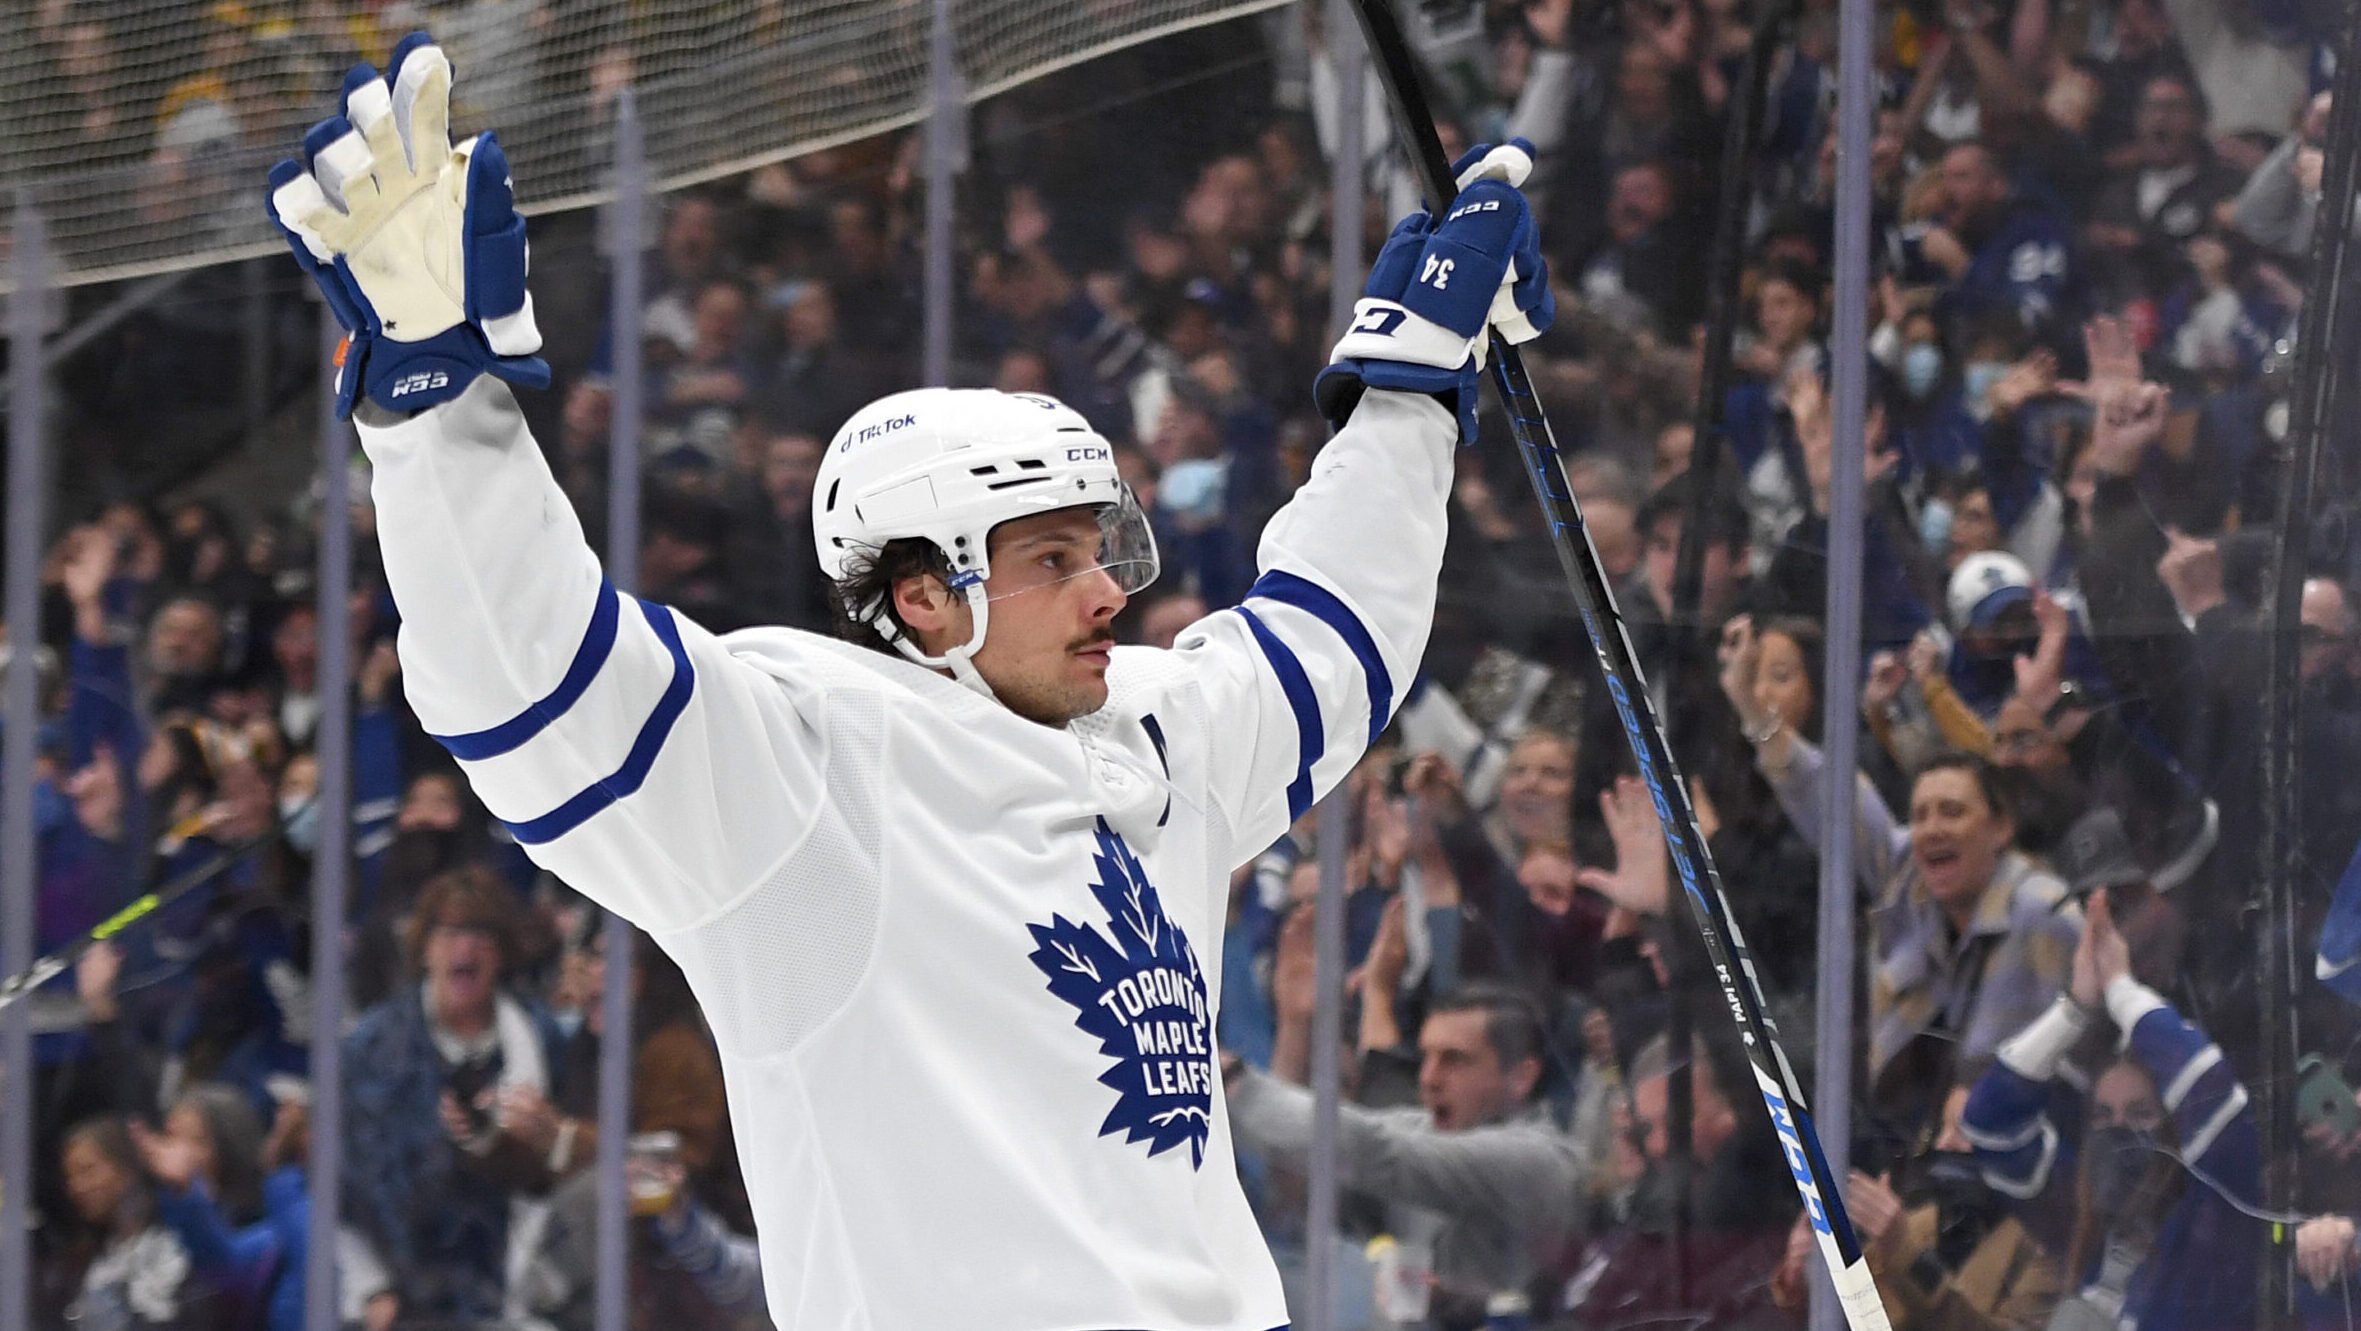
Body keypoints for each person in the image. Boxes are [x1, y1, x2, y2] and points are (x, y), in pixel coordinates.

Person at [264, 37, 1552, 1331]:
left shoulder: (1148, 730)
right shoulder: (809, 773)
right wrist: (440, 414)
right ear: (924, 596)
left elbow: (1331, 635)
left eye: (1101, 549)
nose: (1106, 592)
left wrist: (1407, 390)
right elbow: (531, 676)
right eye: (1051, 559)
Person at [1961, 891, 2257, 1331]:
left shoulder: (2211, 1220)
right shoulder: (2078, 1221)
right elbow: (1989, 1123)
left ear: (2176, 1129)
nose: (2118, 1131)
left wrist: (2120, 988)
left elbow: (2209, 1087)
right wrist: (2075, 1007)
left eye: (2140, 1114)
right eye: (2103, 1115)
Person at [1224, 981, 1589, 1325]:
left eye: (1454, 1060)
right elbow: (1309, 1164)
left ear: (1521, 1077)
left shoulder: (1539, 1160)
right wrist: (1295, 1025)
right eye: (1426, 1056)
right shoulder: (1429, 1128)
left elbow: (1379, 1152)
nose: (1428, 1078)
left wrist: (1233, 1082)